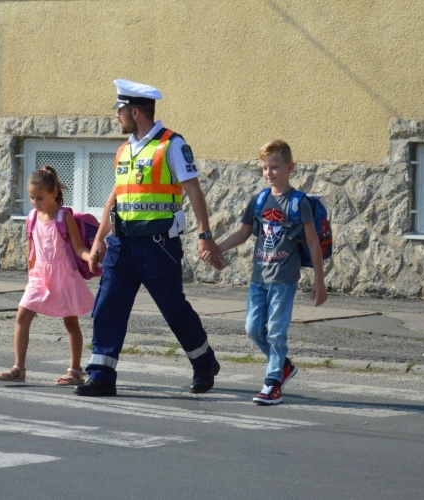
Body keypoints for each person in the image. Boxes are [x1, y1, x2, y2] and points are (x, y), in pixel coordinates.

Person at [73, 79, 223, 397]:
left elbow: (194, 190)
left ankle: (204, 363)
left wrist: (205, 235)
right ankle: (101, 375)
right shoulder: (124, 150)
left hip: (158, 246)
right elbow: (116, 196)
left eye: (121, 110)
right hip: (122, 244)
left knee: (173, 309)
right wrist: (99, 238)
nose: (117, 115)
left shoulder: (172, 145)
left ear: (136, 111)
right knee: (107, 306)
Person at [214, 140, 327, 405]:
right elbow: (244, 233)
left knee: (276, 331)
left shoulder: (299, 203)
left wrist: (319, 281)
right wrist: (218, 248)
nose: (269, 173)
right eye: (265, 168)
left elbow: (313, 243)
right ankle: (284, 365)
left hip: (284, 281)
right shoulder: (259, 200)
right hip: (259, 279)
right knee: (253, 329)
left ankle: (273, 382)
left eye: (274, 167)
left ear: (290, 167)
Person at [0, 166, 95, 385]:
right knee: (22, 316)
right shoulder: (31, 217)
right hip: (39, 275)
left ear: (54, 193)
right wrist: (30, 277)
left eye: (39, 198)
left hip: (63, 275)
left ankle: (75, 370)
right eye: (31, 197)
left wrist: (90, 257)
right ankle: (18, 368)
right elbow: (31, 250)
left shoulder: (64, 216)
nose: (35, 202)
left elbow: (78, 247)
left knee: (70, 323)